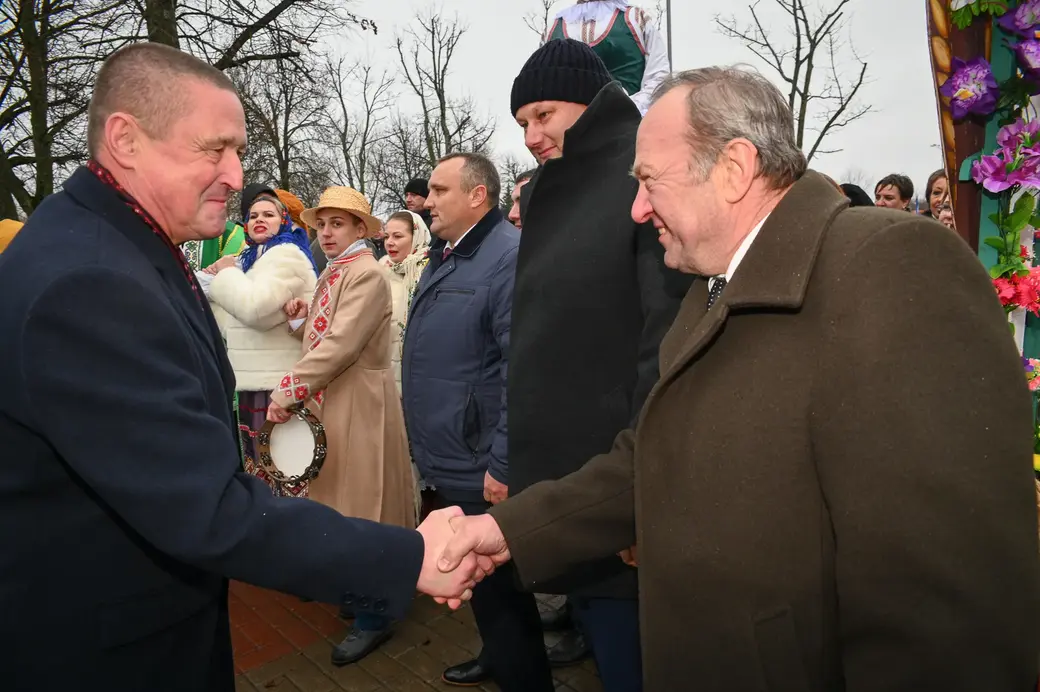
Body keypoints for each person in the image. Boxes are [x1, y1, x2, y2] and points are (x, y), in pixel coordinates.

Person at [439, 66, 1040, 690]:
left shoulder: (894, 265)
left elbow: (946, 607)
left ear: (733, 168)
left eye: (649, 181)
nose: (638, 209)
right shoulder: (711, 285)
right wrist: (506, 532)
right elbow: (652, 459)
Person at [0, 42, 487, 691]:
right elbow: (205, 508)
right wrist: (410, 556)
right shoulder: (89, 280)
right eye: (214, 149)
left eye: (237, 151)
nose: (236, 176)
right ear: (126, 140)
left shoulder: (114, 247)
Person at [507, 38, 693, 689]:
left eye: (543, 114)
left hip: (613, 482)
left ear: (588, 103)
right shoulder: (554, 187)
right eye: (522, 121)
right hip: (566, 476)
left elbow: (664, 342)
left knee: (634, 661)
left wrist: (639, 499)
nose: (531, 135)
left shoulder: (638, 174)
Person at [402, 153, 552, 691]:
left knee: (502, 585)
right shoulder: (451, 254)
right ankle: (498, 656)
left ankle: (525, 677)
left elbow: (524, 368)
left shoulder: (506, 257)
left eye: (441, 190)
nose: (427, 200)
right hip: (451, 452)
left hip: (481, 459)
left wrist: (504, 462)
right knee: (485, 587)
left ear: (477, 196)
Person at [273, 186, 418, 665]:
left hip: (360, 400)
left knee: (365, 506)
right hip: (335, 397)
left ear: (361, 229)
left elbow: (341, 345)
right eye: (323, 224)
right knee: (342, 502)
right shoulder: (338, 270)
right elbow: (326, 334)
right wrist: (300, 317)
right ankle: (359, 593)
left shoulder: (367, 273)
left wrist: (288, 389)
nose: (327, 232)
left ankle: (375, 614)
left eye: (338, 223)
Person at [200, 192, 319, 497]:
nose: (259, 220)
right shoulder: (257, 258)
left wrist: (225, 273)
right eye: (253, 216)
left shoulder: (286, 254)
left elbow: (255, 309)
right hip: (256, 380)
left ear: (284, 221)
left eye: (268, 214)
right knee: (262, 469)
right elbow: (235, 322)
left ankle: (294, 537)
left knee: (284, 469)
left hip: (277, 383)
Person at [544, 0, 670, 114]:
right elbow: (544, 85)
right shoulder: (553, 27)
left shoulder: (636, 19)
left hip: (628, 128)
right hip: (570, 132)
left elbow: (658, 78)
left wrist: (628, 109)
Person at [381, 210, 432, 392]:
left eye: (398, 236)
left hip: (419, 379)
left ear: (416, 236)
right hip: (382, 377)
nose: (390, 242)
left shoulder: (430, 272)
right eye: (387, 236)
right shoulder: (380, 269)